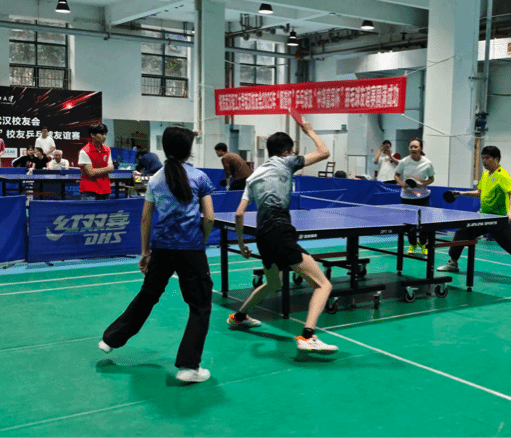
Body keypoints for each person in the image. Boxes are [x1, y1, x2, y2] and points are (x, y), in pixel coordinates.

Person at [99, 126, 215, 383]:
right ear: (188, 150)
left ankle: (110, 340)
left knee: (148, 295)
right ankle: (189, 366)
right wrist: (201, 240)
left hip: (161, 249)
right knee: (200, 305)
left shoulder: (155, 179)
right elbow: (209, 217)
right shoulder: (200, 177)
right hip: (191, 249)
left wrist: (145, 251)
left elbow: (145, 218)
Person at [227, 120, 338, 353]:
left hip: (262, 235)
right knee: (323, 285)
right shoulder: (286, 162)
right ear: (287, 152)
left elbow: (238, 213)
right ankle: (307, 336)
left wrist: (241, 245)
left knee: (273, 282)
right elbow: (324, 152)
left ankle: (239, 317)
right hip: (280, 231)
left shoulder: (253, 176)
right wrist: (310, 131)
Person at [437, 146, 511, 283]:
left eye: (487, 158)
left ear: (497, 159)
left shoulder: (502, 175)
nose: (484, 161)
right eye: (482, 158)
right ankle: (453, 263)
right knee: (462, 232)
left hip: (498, 220)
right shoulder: (485, 175)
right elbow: (479, 193)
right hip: (483, 217)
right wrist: (461, 193)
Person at [393, 138, 435, 256]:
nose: (413, 149)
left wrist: (423, 183)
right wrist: (402, 183)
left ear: (420, 148)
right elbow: (396, 175)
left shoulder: (427, 163)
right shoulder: (404, 162)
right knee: (408, 224)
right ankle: (412, 244)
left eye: (415, 147)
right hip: (407, 197)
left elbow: (431, 178)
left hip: (422, 197)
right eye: (411, 147)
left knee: (423, 223)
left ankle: (423, 244)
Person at [78, 123, 114, 200]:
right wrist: (107, 169)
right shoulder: (84, 151)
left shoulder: (107, 149)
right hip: (89, 190)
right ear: (92, 135)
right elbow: (90, 172)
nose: (104, 136)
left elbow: (111, 167)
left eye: (105, 134)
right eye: (101, 134)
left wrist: (96, 171)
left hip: (105, 189)